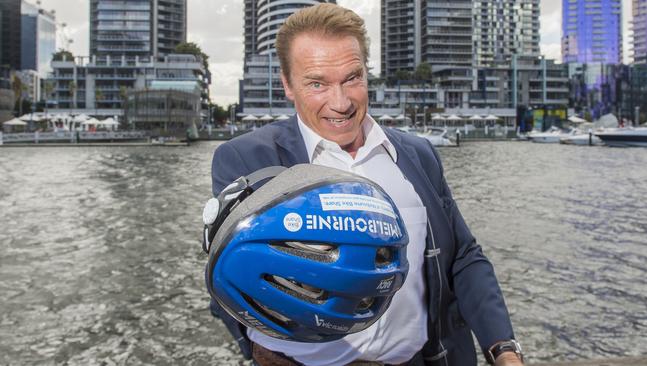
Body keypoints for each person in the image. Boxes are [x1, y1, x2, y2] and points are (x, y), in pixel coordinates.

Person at [209, 3, 524, 366]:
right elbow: (225, 274)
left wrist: (503, 349)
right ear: (287, 84)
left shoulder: (419, 154)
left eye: (352, 78)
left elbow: (464, 258)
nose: (340, 103)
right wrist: (253, 346)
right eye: (317, 83)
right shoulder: (246, 160)